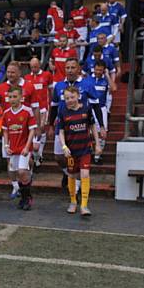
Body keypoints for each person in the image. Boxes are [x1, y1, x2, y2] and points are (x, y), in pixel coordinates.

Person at [49, 58, 104, 189]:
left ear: (78, 69)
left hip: (80, 128)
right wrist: (50, 125)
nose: (70, 70)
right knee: (58, 157)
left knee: (79, 156)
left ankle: (77, 186)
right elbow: (54, 107)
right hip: (62, 127)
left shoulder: (87, 84)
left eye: (73, 67)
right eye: (67, 67)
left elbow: (96, 106)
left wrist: (101, 126)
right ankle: (68, 173)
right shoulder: (59, 86)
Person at [0, 62, 39, 198]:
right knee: (10, 162)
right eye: (8, 72)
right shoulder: (1, 88)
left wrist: (38, 129)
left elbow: (35, 108)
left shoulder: (29, 86)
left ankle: (26, 184)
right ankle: (16, 187)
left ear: (19, 73)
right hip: (9, 131)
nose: (9, 74)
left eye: (12, 72)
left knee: (27, 162)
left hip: (26, 131)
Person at [58, 86, 101, 216]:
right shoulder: (63, 112)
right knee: (72, 175)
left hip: (85, 149)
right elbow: (60, 132)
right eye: (67, 98)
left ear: (78, 96)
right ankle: (73, 201)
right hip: (71, 151)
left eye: (72, 97)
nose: (70, 100)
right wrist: (64, 146)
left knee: (84, 174)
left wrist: (97, 144)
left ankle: (84, 205)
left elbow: (93, 127)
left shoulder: (86, 109)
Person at [2, 85, 37, 210]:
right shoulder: (6, 113)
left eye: (15, 96)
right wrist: (6, 145)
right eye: (10, 97)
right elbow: (5, 131)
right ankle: (24, 195)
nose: (12, 99)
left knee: (22, 171)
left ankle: (27, 198)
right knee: (14, 173)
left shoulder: (27, 111)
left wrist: (27, 147)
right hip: (13, 148)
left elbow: (32, 130)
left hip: (24, 148)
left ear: (21, 97)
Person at [24, 57, 53, 167]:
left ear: (39, 65)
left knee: (41, 129)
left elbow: (51, 91)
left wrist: (51, 104)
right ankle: (37, 155)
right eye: (32, 67)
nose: (34, 69)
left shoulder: (47, 75)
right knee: (33, 131)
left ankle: (38, 152)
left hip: (43, 107)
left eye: (35, 66)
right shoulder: (27, 78)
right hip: (31, 108)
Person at [86, 60, 116, 164]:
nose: (98, 71)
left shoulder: (106, 80)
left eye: (100, 70)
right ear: (94, 69)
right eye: (96, 69)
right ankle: (88, 153)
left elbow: (114, 88)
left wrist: (107, 75)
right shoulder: (88, 79)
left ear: (103, 70)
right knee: (88, 133)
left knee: (103, 134)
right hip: (90, 108)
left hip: (102, 109)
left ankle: (97, 156)